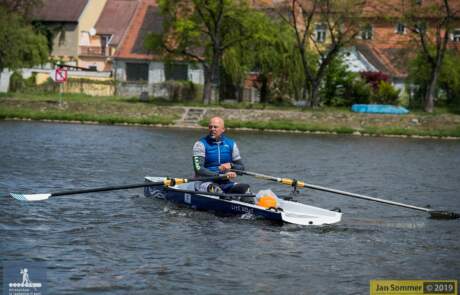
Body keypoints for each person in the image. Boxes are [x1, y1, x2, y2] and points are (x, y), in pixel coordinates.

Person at [193, 116, 250, 195]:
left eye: (215, 127)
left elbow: (241, 169)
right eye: (210, 127)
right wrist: (220, 175)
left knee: (245, 188)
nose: (212, 129)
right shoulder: (200, 144)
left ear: (223, 129)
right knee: (215, 189)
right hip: (205, 182)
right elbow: (198, 169)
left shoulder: (231, 144)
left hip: (225, 182)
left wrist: (231, 165)